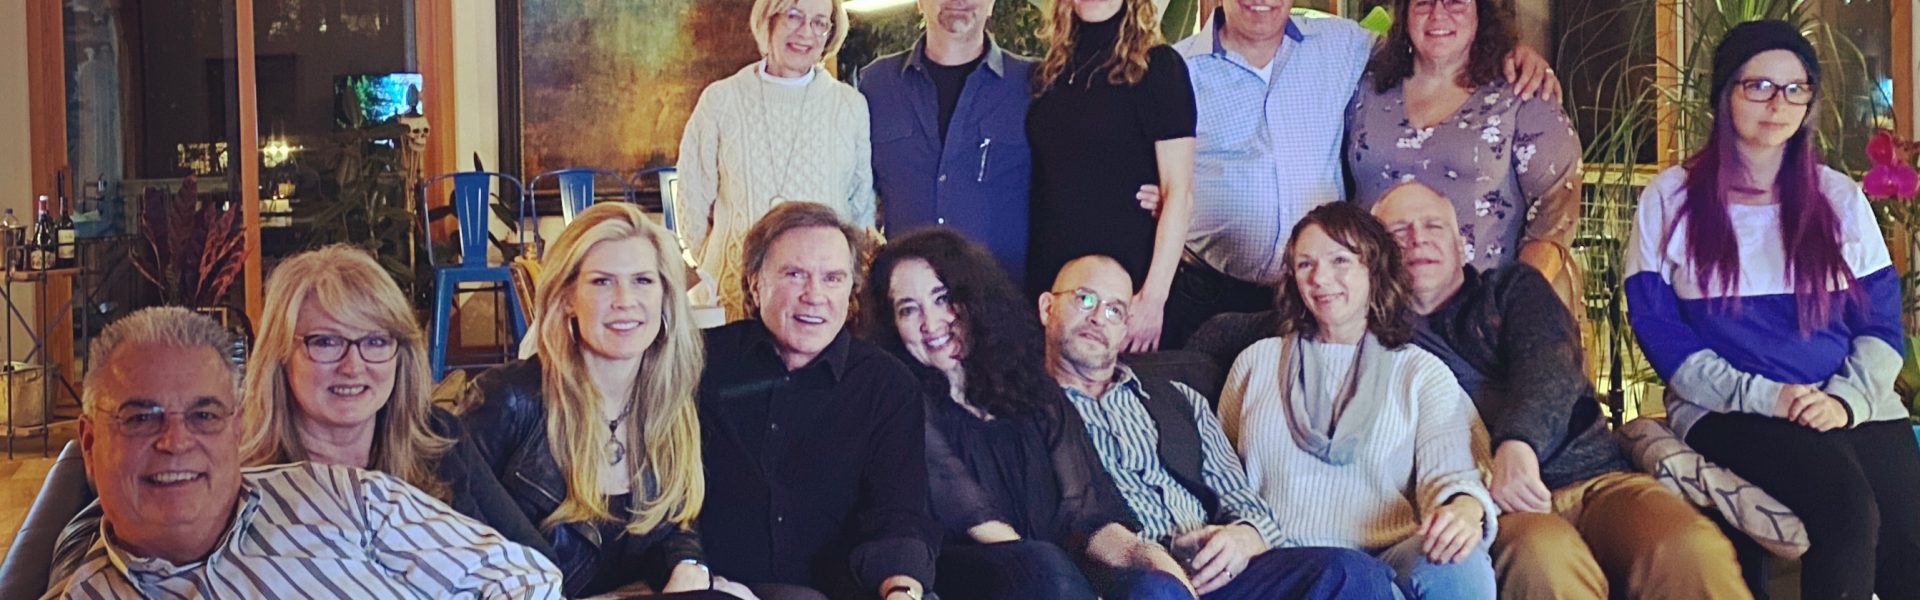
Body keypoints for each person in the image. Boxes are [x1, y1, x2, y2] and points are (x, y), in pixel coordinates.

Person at [1624, 20, 1920, 600]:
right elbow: (1661, 334)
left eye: (1795, 88)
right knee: (1845, 506)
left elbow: (1882, 325)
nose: (1778, 103)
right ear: (1724, 94)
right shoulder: (1670, 198)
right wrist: (1770, 397)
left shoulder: (1839, 197)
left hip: (1846, 401)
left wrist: (1844, 401)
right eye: (1758, 85)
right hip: (1729, 408)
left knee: (1909, 543)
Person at [1375, 183, 1749, 599]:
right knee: (1545, 559)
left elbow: (1549, 362)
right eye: (1398, 232)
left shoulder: (1511, 288)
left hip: (1596, 481)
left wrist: (1518, 443)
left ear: (1460, 243)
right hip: (1497, 509)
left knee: (1688, 546)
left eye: (1433, 226)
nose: (1418, 239)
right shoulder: (1378, 338)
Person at [49, 306, 562, 598]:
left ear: (236, 428)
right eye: (141, 418)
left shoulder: (345, 495)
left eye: (204, 415)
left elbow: (524, 577)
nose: (176, 441)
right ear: (90, 444)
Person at [1149, 0, 1561, 349]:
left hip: (1329, 296)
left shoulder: (1343, 45)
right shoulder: (1174, 71)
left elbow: (1437, 40)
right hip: (1210, 293)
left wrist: (1515, 51)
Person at [1040, 255, 1400, 600]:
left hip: (1211, 570)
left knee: (1351, 571)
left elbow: (1243, 501)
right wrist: (1142, 557)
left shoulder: (1181, 399)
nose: (1098, 318)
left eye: (1114, 310)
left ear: (1124, 329)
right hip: (1121, 574)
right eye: (1085, 299)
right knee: (1156, 591)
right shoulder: (1027, 414)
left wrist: (1244, 537)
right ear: (1047, 308)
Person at [864, 228, 1183, 599]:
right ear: (892, 324)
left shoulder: (1034, 389)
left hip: (1060, 576)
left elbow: (1090, 516)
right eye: (908, 309)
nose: (931, 323)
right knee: (1043, 566)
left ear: (973, 298)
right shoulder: (902, 402)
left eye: (943, 299)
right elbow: (974, 517)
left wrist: (1146, 558)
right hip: (974, 575)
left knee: (1156, 586)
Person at [463, 204, 748, 599]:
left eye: (643, 280)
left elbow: (676, 525)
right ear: (567, 297)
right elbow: (450, 547)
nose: (624, 300)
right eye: (601, 282)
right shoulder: (508, 399)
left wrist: (689, 566)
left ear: (665, 296)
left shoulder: (673, 399)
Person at [1215, 202, 1497, 599]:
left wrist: (1464, 507)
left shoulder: (1420, 373)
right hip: (1279, 561)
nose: (1320, 278)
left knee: (1458, 561)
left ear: (1374, 270)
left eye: (1340, 261)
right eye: (1305, 264)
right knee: (1347, 575)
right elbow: (1217, 475)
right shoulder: (1255, 363)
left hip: (1386, 556)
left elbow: (1452, 474)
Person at [697, 202, 938, 600]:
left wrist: (901, 590)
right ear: (755, 284)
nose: (815, 296)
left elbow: (898, 514)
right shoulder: (701, 363)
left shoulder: (887, 385)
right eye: (795, 275)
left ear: (851, 290)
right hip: (719, 589)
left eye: (833, 278)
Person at [1346, 0, 1584, 309]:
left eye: (1455, 2)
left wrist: (1511, 307)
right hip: (1376, 310)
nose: (1438, 14)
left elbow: (1554, 215)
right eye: (1423, 3)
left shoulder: (1520, 90)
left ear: (1480, 11)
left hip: (1483, 314)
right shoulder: (1367, 88)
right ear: (1404, 14)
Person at [679, 0, 875, 321]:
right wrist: (723, 269)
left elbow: (860, 206)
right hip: (732, 296)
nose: (806, 33)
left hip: (818, 301)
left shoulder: (850, 106)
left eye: (819, 22)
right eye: (794, 16)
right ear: (767, 20)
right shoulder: (720, 100)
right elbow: (692, 200)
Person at [1026, 0, 1196, 353]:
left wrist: (1152, 299)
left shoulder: (1158, 66)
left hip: (1124, 286)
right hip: (1051, 282)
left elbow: (1178, 193)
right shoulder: (1050, 71)